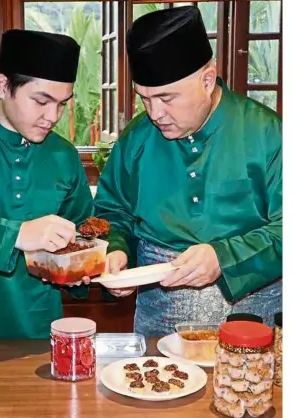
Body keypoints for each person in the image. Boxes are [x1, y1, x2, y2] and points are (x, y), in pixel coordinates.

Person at [94, 6, 282, 337]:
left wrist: (224, 257)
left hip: (252, 316)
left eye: (166, 98)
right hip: (160, 313)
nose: (155, 113)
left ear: (207, 80)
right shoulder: (137, 139)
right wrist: (117, 250)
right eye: (145, 99)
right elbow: (112, 212)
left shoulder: (268, 133)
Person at [0, 30, 93, 339]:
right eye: (41, 101)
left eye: (62, 104)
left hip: (36, 332)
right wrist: (18, 234)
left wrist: (78, 270)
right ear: (4, 86)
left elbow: (83, 232)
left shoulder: (63, 155)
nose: (53, 117)